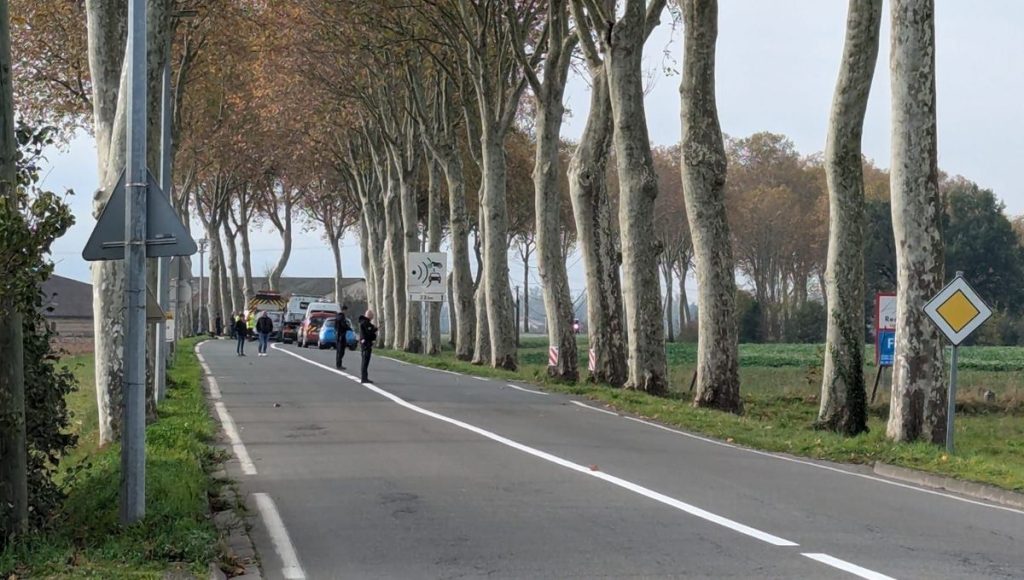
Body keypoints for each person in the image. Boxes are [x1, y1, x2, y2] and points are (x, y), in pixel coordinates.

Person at [358, 309, 378, 384]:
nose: (373, 317)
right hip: (366, 344)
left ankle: (365, 377)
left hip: (364, 343)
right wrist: (374, 332)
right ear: (369, 315)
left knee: (365, 361)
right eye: (372, 316)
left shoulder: (364, 322)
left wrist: (373, 329)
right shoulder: (366, 323)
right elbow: (369, 333)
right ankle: (364, 378)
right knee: (365, 361)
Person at [334, 305, 352, 370]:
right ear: (344, 310)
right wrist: (349, 328)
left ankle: (338, 364)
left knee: (339, 351)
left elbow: (335, 326)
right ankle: (339, 365)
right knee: (341, 351)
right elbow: (343, 325)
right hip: (341, 335)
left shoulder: (337, 316)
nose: (346, 312)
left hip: (338, 335)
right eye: (346, 311)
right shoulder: (342, 316)